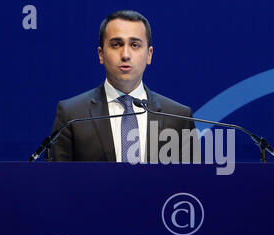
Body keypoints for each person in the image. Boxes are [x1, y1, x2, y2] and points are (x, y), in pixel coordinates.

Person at [50, 10, 197, 163]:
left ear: (149, 54)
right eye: (116, 44)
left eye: (135, 45)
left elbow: (190, 182)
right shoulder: (72, 115)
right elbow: (59, 181)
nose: (125, 54)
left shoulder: (178, 116)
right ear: (101, 54)